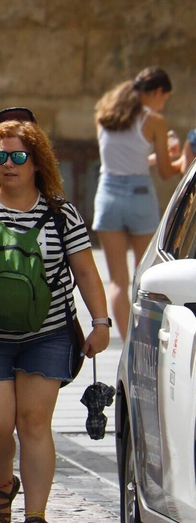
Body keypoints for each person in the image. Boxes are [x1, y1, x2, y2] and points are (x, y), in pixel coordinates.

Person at [0, 118, 111, 523]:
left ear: (36, 162)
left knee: (34, 424)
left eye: (18, 156)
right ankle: (3, 484)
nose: (9, 165)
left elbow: (85, 270)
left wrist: (101, 322)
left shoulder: (59, 211)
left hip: (47, 333)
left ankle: (37, 517)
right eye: (1, 157)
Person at [93, 67, 186, 339]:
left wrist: (155, 159)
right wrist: (181, 158)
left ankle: (126, 344)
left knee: (118, 281)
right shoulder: (154, 121)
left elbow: (122, 159)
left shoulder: (105, 116)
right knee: (143, 275)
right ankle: (143, 337)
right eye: (164, 97)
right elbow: (169, 172)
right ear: (157, 92)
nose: (163, 103)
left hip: (108, 195)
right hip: (140, 197)